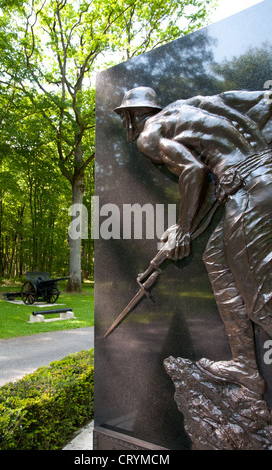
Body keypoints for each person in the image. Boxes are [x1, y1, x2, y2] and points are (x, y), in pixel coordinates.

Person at [114, 86, 272, 396]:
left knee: (260, 297)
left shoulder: (150, 133)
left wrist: (182, 228)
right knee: (216, 259)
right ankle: (246, 367)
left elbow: (192, 169)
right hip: (255, 181)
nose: (125, 125)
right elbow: (267, 102)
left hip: (252, 191)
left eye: (124, 117)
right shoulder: (193, 105)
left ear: (133, 116)